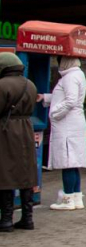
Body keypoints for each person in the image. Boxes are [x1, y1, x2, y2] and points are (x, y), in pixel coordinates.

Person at [39, 56, 86, 211]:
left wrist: (54, 113)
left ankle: (67, 199)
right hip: (74, 124)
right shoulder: (77, 74)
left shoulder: (69, 77)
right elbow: (63, 97)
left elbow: (70, 100)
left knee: (68, 162)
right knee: (73, 163)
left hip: (67, 125)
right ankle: (76, 197)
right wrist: (45, 97)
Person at [0, 53, 38, 232]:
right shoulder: (30, 84)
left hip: (6, 131)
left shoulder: (2, 85)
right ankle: (27, 218)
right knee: (26, 172)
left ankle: (6, 219)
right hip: (26, 129)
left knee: (6, 172)